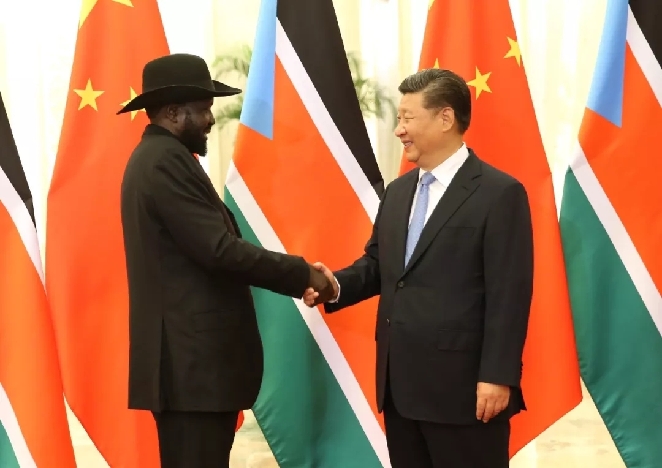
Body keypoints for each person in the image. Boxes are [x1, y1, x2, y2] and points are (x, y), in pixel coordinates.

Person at [304, 68, 534, 468]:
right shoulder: (398, 192)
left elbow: (509, 295)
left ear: (445, 118)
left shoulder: (500, 194)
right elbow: (380, 264)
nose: (399, 130)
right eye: (399, 118)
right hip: (401, 389)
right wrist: (334, 285)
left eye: (407, 118)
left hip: (465, 394)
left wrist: (498, 376)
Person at [118, 53, 335, 468]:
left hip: (192, 373)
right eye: (203, 109)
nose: (210, 119)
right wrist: (302, 273)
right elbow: (219, 250)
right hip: (191, 370)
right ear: (173, 113)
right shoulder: (163, 161)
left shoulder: (162, 157)